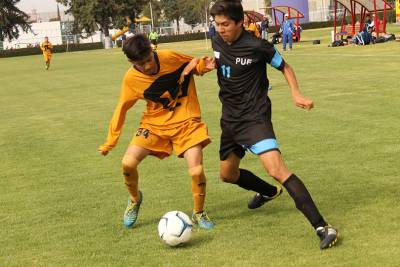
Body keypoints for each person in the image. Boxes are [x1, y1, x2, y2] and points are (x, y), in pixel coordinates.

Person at [209, 0, 338, 250]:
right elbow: (217, 62)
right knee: (227, 175)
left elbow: (285, 67)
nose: (221, 29)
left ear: (240, 22)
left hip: (255, 118)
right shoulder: (216, 42)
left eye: (226, 24)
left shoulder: (258, 46)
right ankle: (269, 192)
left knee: (277, 169)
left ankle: (323, 227)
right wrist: (203, 65)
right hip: (230, 121)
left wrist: (296, 93)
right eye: (217, 24)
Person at [98, 34, 215, 230]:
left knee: (197, 170)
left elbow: (193, 64)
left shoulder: (169, 57)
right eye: (140, 63)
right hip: (154, 125)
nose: (146, 66)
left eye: (148, 60)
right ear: (130, 61)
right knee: (127, 163)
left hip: (186, 121)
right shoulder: (131, 79)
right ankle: (135, 199)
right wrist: (110, 141)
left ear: (153, 51)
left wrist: (204, 65)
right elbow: (122, 108)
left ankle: (198, 212)